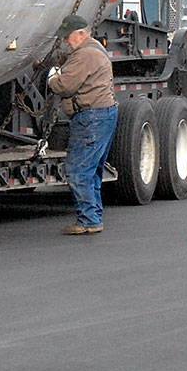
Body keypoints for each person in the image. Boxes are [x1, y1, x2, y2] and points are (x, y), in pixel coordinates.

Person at [46, 14, 118, 235]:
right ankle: (93, 216)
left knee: (78, 170)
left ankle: (89, 220)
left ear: (80, 34)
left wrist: (51, 77)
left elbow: (64, 86)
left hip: (91, 117)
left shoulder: (84, 55)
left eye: (68, 37)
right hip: (103, 114)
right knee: (93, 170)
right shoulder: (94, 48)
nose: (66, 41)